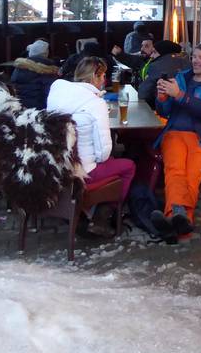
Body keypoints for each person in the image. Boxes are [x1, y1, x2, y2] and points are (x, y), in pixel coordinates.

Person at [47, 56, 135, 238]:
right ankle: (103, 215)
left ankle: (83, 213)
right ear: (95, 76)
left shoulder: (57, 93)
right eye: (103, 76)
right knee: (128, 166)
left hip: (56, 167)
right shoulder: (96, 104)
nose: (105, 80)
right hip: (83, 172)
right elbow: (103, 154)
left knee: (108, 160)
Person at [151, 41, 201, 241]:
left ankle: (172, 220)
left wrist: (179, 95)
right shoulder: (181, 78)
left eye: (200, 57)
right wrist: (162, 97)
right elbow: (164, 112)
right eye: (194, 56)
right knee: (175, 170)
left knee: (192, 176)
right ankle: (182, 221)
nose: (195, 60)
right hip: (176, 132)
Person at [137, 40, 189, 106]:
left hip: (165, 107)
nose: (151, 56)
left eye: (154, 52)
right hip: (188, 104)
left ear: (163, 53)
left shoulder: (157, 66)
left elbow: (143, 94)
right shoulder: (188, 63)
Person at [11, 39, 60, 109]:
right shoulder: (48, 70)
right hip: (39, 109)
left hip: (19, 107)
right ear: (46, 53)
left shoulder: (19, 67)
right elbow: (49, 93)